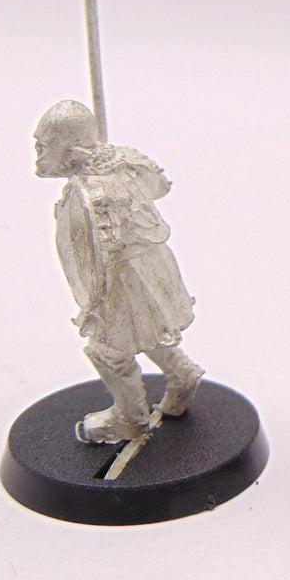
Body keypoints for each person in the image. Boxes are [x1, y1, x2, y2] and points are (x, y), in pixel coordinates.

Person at [33, 100, 205, 445]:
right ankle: (182, 373)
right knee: (149, 330)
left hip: (121, 280)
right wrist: (115, 161)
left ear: (69, 150)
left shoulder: (86, 193)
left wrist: (93, 304)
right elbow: (160, 185)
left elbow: (90, 258)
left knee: (108, 351)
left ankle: (130, 418)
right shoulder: (122, 164)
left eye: (44, 147)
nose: (38, 155)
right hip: (152, 268)